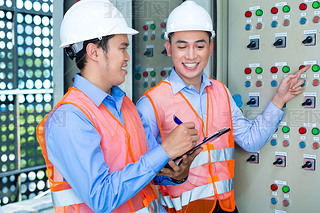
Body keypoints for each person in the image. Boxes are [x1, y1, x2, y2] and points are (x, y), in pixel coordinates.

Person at [136, 1, 311, 213]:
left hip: (226, 208)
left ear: (210, 48)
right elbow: (141, 174)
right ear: (168, 48)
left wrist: (279, 100)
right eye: (182, 46)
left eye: (199, 46)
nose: (191, 55)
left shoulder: (220, 91)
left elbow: (250, 141)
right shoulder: (151, 103)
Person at [36, 0, 200, 212]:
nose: (127, 58)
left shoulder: (126, 107)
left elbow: (148, 172)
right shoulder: (69, 118)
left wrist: (177, 173)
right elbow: (101, 197)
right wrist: (165, 150)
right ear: (94, 52)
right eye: (122, 48)